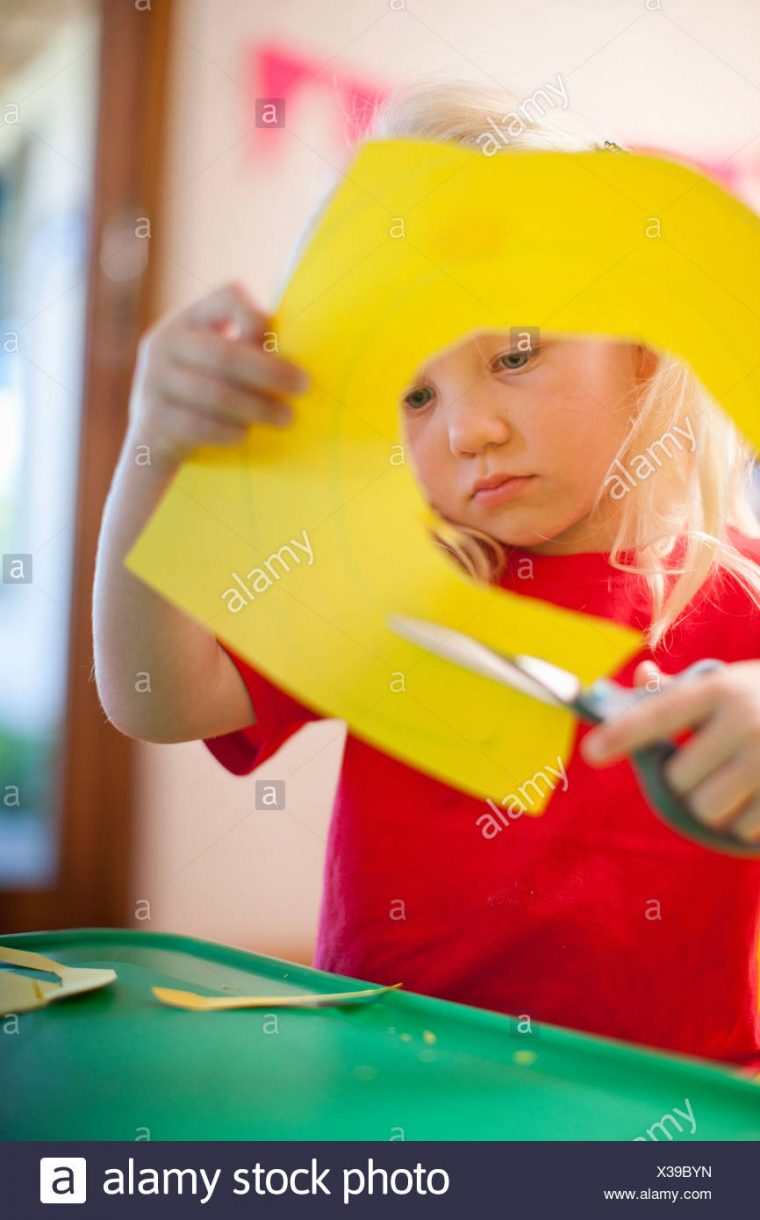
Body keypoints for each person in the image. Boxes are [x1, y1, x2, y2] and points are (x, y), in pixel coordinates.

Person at [93, 81, 760, 1075]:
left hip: (671, 1121)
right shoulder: (386, 590)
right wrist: (154, 444)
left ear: (641, 343)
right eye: (412, 391)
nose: (467, 430)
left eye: (516, 353)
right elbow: (152, 695)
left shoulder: (741, 600)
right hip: (392, 1098)